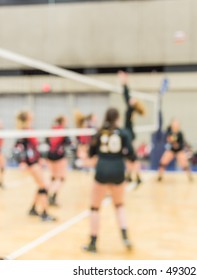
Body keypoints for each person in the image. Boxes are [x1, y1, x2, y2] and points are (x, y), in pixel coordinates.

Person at [83, 108, 134, 253]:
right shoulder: (123, 133)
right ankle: (125, 236)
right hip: (118, 169)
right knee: (119, 205)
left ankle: (93, 242)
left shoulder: (99, 133)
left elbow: (91, 153)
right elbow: (131, 154)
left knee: (95, 207)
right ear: (117, 118)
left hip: (102, 169)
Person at [14, 111, 56, 222]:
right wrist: (22, 162)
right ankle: (44, 213)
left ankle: (33, 209)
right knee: (44, 186)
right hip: (31, 163)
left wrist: (40, 159)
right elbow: (19, 148)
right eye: (30, 114)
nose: (32, 115)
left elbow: (33, 147)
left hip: (34, 162)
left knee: (41, 185)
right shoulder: (25, 131)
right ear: (27, 118)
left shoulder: (29, 130)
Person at [118, 71, 145, 186]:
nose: (132, 98)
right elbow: (127, 96)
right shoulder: (131, 109)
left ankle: (137, 177)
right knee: (129, 158)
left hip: (129, 136)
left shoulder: (131, 108)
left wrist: (124, 82)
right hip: (130, 135)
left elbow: (126, 95)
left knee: (132, 158)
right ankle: (130, 176)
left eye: (133, 99)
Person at [46, 116, 71, 206]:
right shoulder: (63, 130)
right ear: (63, 121)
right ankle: (53, 196)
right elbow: (69, 143)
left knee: (53, 177)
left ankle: (45, 193)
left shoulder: (52, 129)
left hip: (50, 155)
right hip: (59, 156)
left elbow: (47, 141)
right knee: (61, 178)